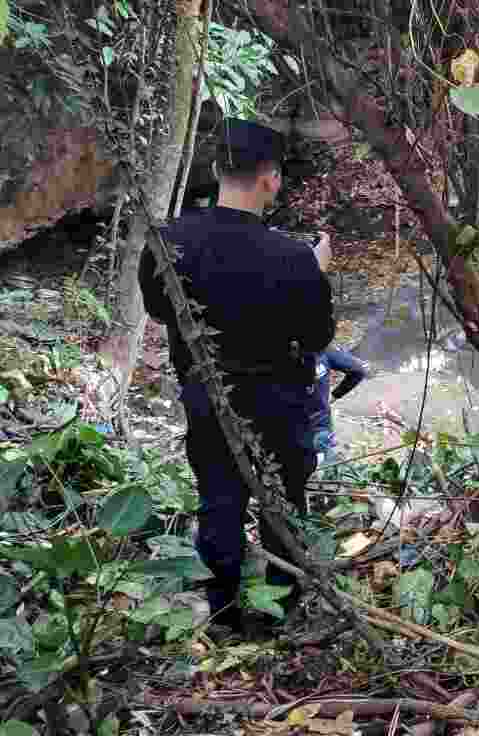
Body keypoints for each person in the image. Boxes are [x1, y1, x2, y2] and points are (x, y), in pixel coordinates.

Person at [138, 118, 335, 635]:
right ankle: (282, 611)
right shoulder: (294, 259)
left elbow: (161, 310)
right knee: (284, 504)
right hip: (280, 406)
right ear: (271, 178)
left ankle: (222, 612)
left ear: (216, 169)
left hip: (209, 400)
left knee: (219, 502)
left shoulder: (167, 242)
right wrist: (315, 271)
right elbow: (316, 337)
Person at [308, 347, 371, 464]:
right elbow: (358, 371)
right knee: (322, 462)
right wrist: (334, 396)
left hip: (288, 425)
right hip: (319, 422)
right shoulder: (323, 352)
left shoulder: (275, 358)